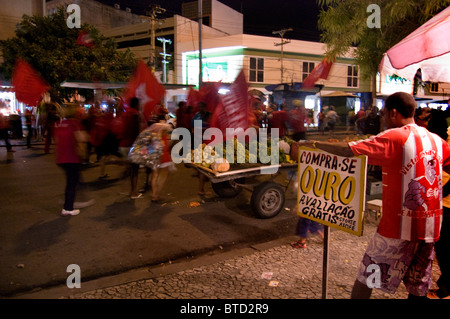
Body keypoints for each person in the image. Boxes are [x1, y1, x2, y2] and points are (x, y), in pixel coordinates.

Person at [298, 92, 450, 299]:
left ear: (393, 113)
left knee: (367, 277)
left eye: (384, 114)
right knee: (417, 285)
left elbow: (348, 150)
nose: (383, 118)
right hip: (430, 228)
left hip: (396, 229)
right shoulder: (437, 141)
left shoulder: (395, 137)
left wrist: (312, 145)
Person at [54, 105, 86, 216]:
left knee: (71, 181)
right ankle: (68, 208)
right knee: (72, 183)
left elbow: (57, 141)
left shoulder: (60, 124)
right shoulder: (74, 124)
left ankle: (69, 204)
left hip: (61, 158)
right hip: (71, 157)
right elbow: (80, 138)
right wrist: (82, 153)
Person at [118, 97, 144, 199]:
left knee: (130, 167)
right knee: (135, 169)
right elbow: (136, 130)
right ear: (137, 105)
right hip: (131, 144)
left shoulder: (125, 113)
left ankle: (126, 183)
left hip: (123, 145)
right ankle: (134, 192)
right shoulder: (135, 115)